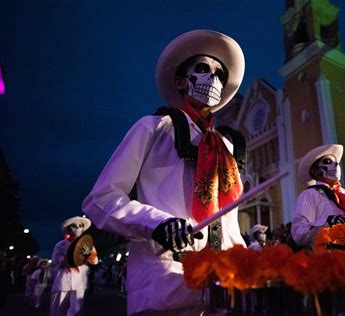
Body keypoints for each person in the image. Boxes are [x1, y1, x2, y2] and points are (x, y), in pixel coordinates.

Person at [82, 29, 247, 315]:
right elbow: (101, 199)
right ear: (182, 82)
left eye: (220, 74)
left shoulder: (226, 148)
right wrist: (157, 223)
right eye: (203, 69)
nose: (214, 79)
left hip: (224, 288)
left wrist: (247, 263)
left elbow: (228, 218)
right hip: (165, 287)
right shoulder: (153, 127)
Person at [291, 144, 345, 249]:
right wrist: (328, 225)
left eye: (336, 163)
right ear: (314, 171)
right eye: (328, 162)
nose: (336, 165)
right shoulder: (309, 195)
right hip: (331, 257)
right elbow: (298, 233)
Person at [49, 216, 98, 316]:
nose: (77, 228)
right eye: (74, 226)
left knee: (76, 308)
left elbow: (95, 261)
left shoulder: (87, 245)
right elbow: (55, 260)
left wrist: (88, 254)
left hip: (80, 280)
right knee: (58, 307)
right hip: (63, 279)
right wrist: (66, 258)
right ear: (68, 228)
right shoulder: (61, 245)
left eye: (80, 226)